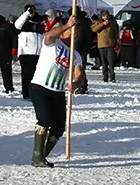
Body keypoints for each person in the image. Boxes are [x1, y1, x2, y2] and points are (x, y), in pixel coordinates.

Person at [29, 14, 84, 168]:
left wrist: (75, 83)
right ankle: (37, 156)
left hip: (58, 92)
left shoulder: (75, 55)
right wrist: (67, 24)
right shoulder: (53, 43)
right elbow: (49, 35)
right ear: (63, 32)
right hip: (40, 87)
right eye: (71, 30)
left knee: (59, 127)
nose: (75, 34)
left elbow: (79, 75)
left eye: (76, 31)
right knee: (45, 120)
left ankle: (41, 154)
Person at [16, 5, 45, 99]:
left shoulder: (39, 20)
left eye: (33, 11)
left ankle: (35, 92)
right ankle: (26, 93)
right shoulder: (23, 20)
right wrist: (27, 13)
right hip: (26, 52)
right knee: (26, 74)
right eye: (30, 11)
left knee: (36, 75)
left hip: (38, 52)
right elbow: (17, 25)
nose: (32, 13)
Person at [92, 10, 119, 83]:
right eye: (104, 16)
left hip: (110, 44)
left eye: (107, 15)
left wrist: (117, 41)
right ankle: (105, 77)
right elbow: (94, 29)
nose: (106, 17)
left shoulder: (112, 23)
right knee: (104, 63)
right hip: (101, 45)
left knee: (111, 62)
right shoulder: (98, 23)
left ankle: (112, 77)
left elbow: (116, 33)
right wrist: (102, 24)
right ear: (102, 16)